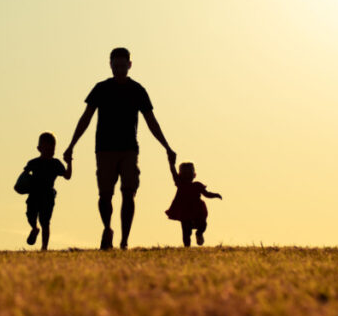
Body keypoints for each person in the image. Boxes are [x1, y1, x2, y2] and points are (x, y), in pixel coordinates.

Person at [63, 47, 176, 250]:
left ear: (129, 65)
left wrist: (166, 146)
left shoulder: (138, 90)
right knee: (105, 195)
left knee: (128, 193)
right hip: (104, 149)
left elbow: (151, 121)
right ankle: (107, 228)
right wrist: (72, 144)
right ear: (110, 65)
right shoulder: (101, 88)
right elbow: (86, 118)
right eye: (115, 66)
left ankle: (124, 241)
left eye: (123, 65)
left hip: (129, 150)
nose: (119, 69)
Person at [21, 132, 72, 250]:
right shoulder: (33, 163)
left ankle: (44, 247)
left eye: (52, 148)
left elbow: (67, 176)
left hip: (48, 195)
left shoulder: (56, 163)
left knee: (45, 221)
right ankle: (34, 228)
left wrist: (69, 163)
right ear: (39, 148)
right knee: (30, 215)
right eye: (47, 148)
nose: (50, 150)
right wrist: (22, 183)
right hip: (34, 194)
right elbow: (24, 174)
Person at [165, 159, 222, 247]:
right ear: (180, 175)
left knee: (203, 224)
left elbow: (206, 194)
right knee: (186, 231)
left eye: (190, 173)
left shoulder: (197, 185)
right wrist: (171, 163)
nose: (187, 175)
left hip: (197, 211)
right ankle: (187, 247)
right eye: (185, 173)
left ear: (194, 174)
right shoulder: (180, 183)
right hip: (185, 212)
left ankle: (199, 234)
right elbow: (173, 172)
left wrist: (215, 195)